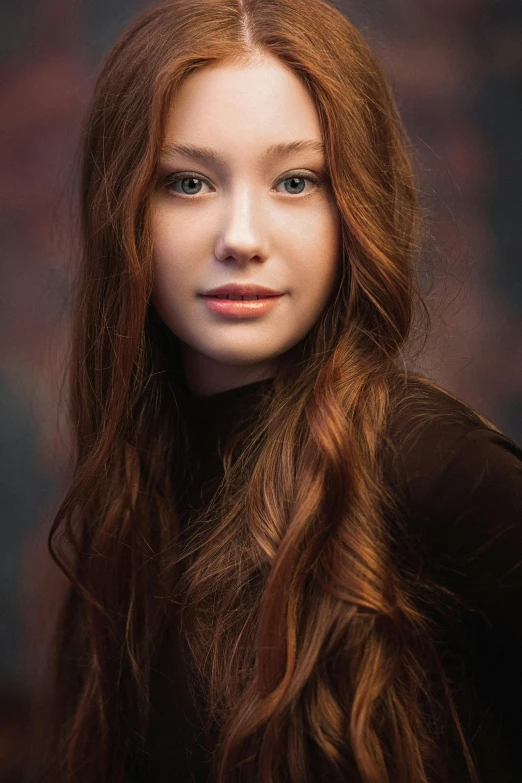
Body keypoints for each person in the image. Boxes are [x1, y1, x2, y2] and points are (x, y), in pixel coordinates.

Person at [25, 0, 522, 781]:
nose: (242, 237)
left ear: (354, 202)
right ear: (122, 207)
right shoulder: (129, 497)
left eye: (295, 181)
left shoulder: (434, 469)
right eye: (188, 182)